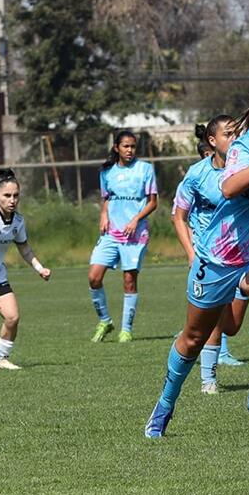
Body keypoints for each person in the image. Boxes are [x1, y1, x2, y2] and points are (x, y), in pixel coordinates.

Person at [145, 86, 249, 438]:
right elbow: (229, 187)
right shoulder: (243, 147)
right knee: (194, 337)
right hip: (219, 255)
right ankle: (164, 405)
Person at [172, 116, 249, 394]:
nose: (235, 139)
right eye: (229, 134)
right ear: (212, 142)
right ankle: (208, 380)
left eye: (238, 134)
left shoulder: (248, 170)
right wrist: (192, 254)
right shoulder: (197, 174)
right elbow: (178, 217)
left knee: (233, 325)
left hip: (244, 256)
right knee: (215, 319)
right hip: (210, 258)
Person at [89, 131, 158, 343]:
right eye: (126, 146)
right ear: (116, 148)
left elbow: (153, 202)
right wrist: (103, 215)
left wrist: (136, 219)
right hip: (111, 233)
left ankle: (126, 330)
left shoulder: (145, 169)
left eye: (133, 146)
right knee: (94, 277)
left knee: (129, 280)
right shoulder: (107, 172)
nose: (130, 150)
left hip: (135, 235)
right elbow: (107, 199)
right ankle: (105, 321)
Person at [0, 169, 51, 370]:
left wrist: (39, 268)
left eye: (16, 195)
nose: (12, 200)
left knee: (12, 317)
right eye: (7, 195)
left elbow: (24, 248)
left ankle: (2, 359)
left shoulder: (17, 221)